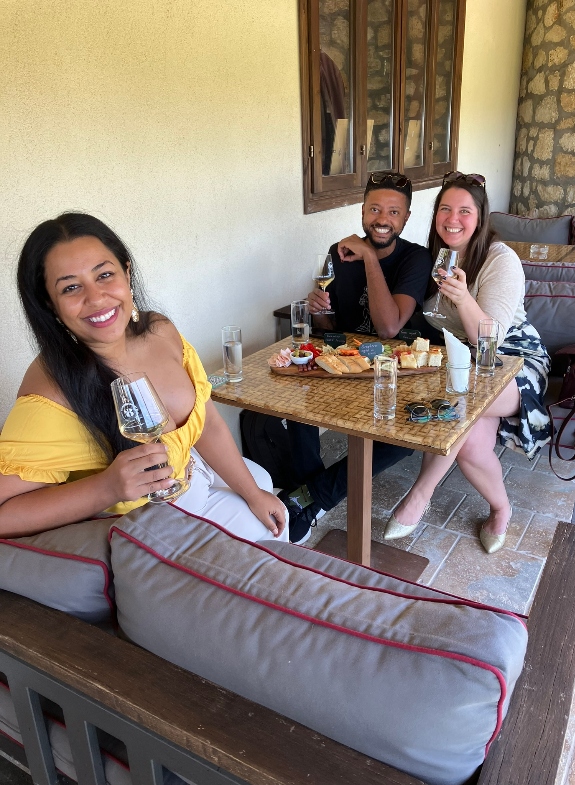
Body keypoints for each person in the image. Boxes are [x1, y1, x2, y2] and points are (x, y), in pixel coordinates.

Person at [0, 213, 287, 542]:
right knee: (269, 534)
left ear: (127, 271)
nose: (96, 298)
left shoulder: (158, 330)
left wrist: (252, 494)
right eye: (71, 287)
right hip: (150, 519)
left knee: (263, 484)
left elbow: (204, 421)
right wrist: (107, 486)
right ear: (50, 305)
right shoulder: (52, 395)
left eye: (105, 275)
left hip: (190, 470)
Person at [383, 171, 551, 553]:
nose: (453, 219)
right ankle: (502, 509)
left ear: (480, 218)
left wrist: (463, 298)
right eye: (445, 209)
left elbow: (490, 344)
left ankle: (419, 496)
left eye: (464, 211)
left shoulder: (499, 260)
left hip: (513, 360)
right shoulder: (429, 259)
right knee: (472, 442)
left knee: (461, 399)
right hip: (462, 364)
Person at [280, 172, 433, 544]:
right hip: (346, 361)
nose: (383, 219)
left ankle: (312, 498)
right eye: (375, 209)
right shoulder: (338, 251)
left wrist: (367, 256)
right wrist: (317, 308)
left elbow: (388, 328)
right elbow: (331, 323)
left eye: (393, 212)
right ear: (362, 211)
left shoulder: (416, 258)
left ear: (407, 217)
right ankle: (306, 496)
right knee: (296, 396)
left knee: (405, 436)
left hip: (389, 368)